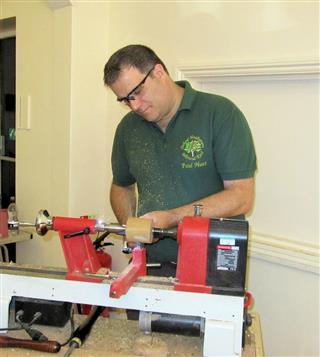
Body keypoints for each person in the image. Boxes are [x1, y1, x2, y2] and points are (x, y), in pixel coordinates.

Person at [104, 44, 257, 277]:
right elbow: (121, 185)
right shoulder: (128, 129)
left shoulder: (220, 113)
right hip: (151, 263)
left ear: (158, 72)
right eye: (125, 100)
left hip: (214, 262)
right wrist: (133, 227)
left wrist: (173, 217)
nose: (134, 106)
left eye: (137, 92)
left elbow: (241, 197)